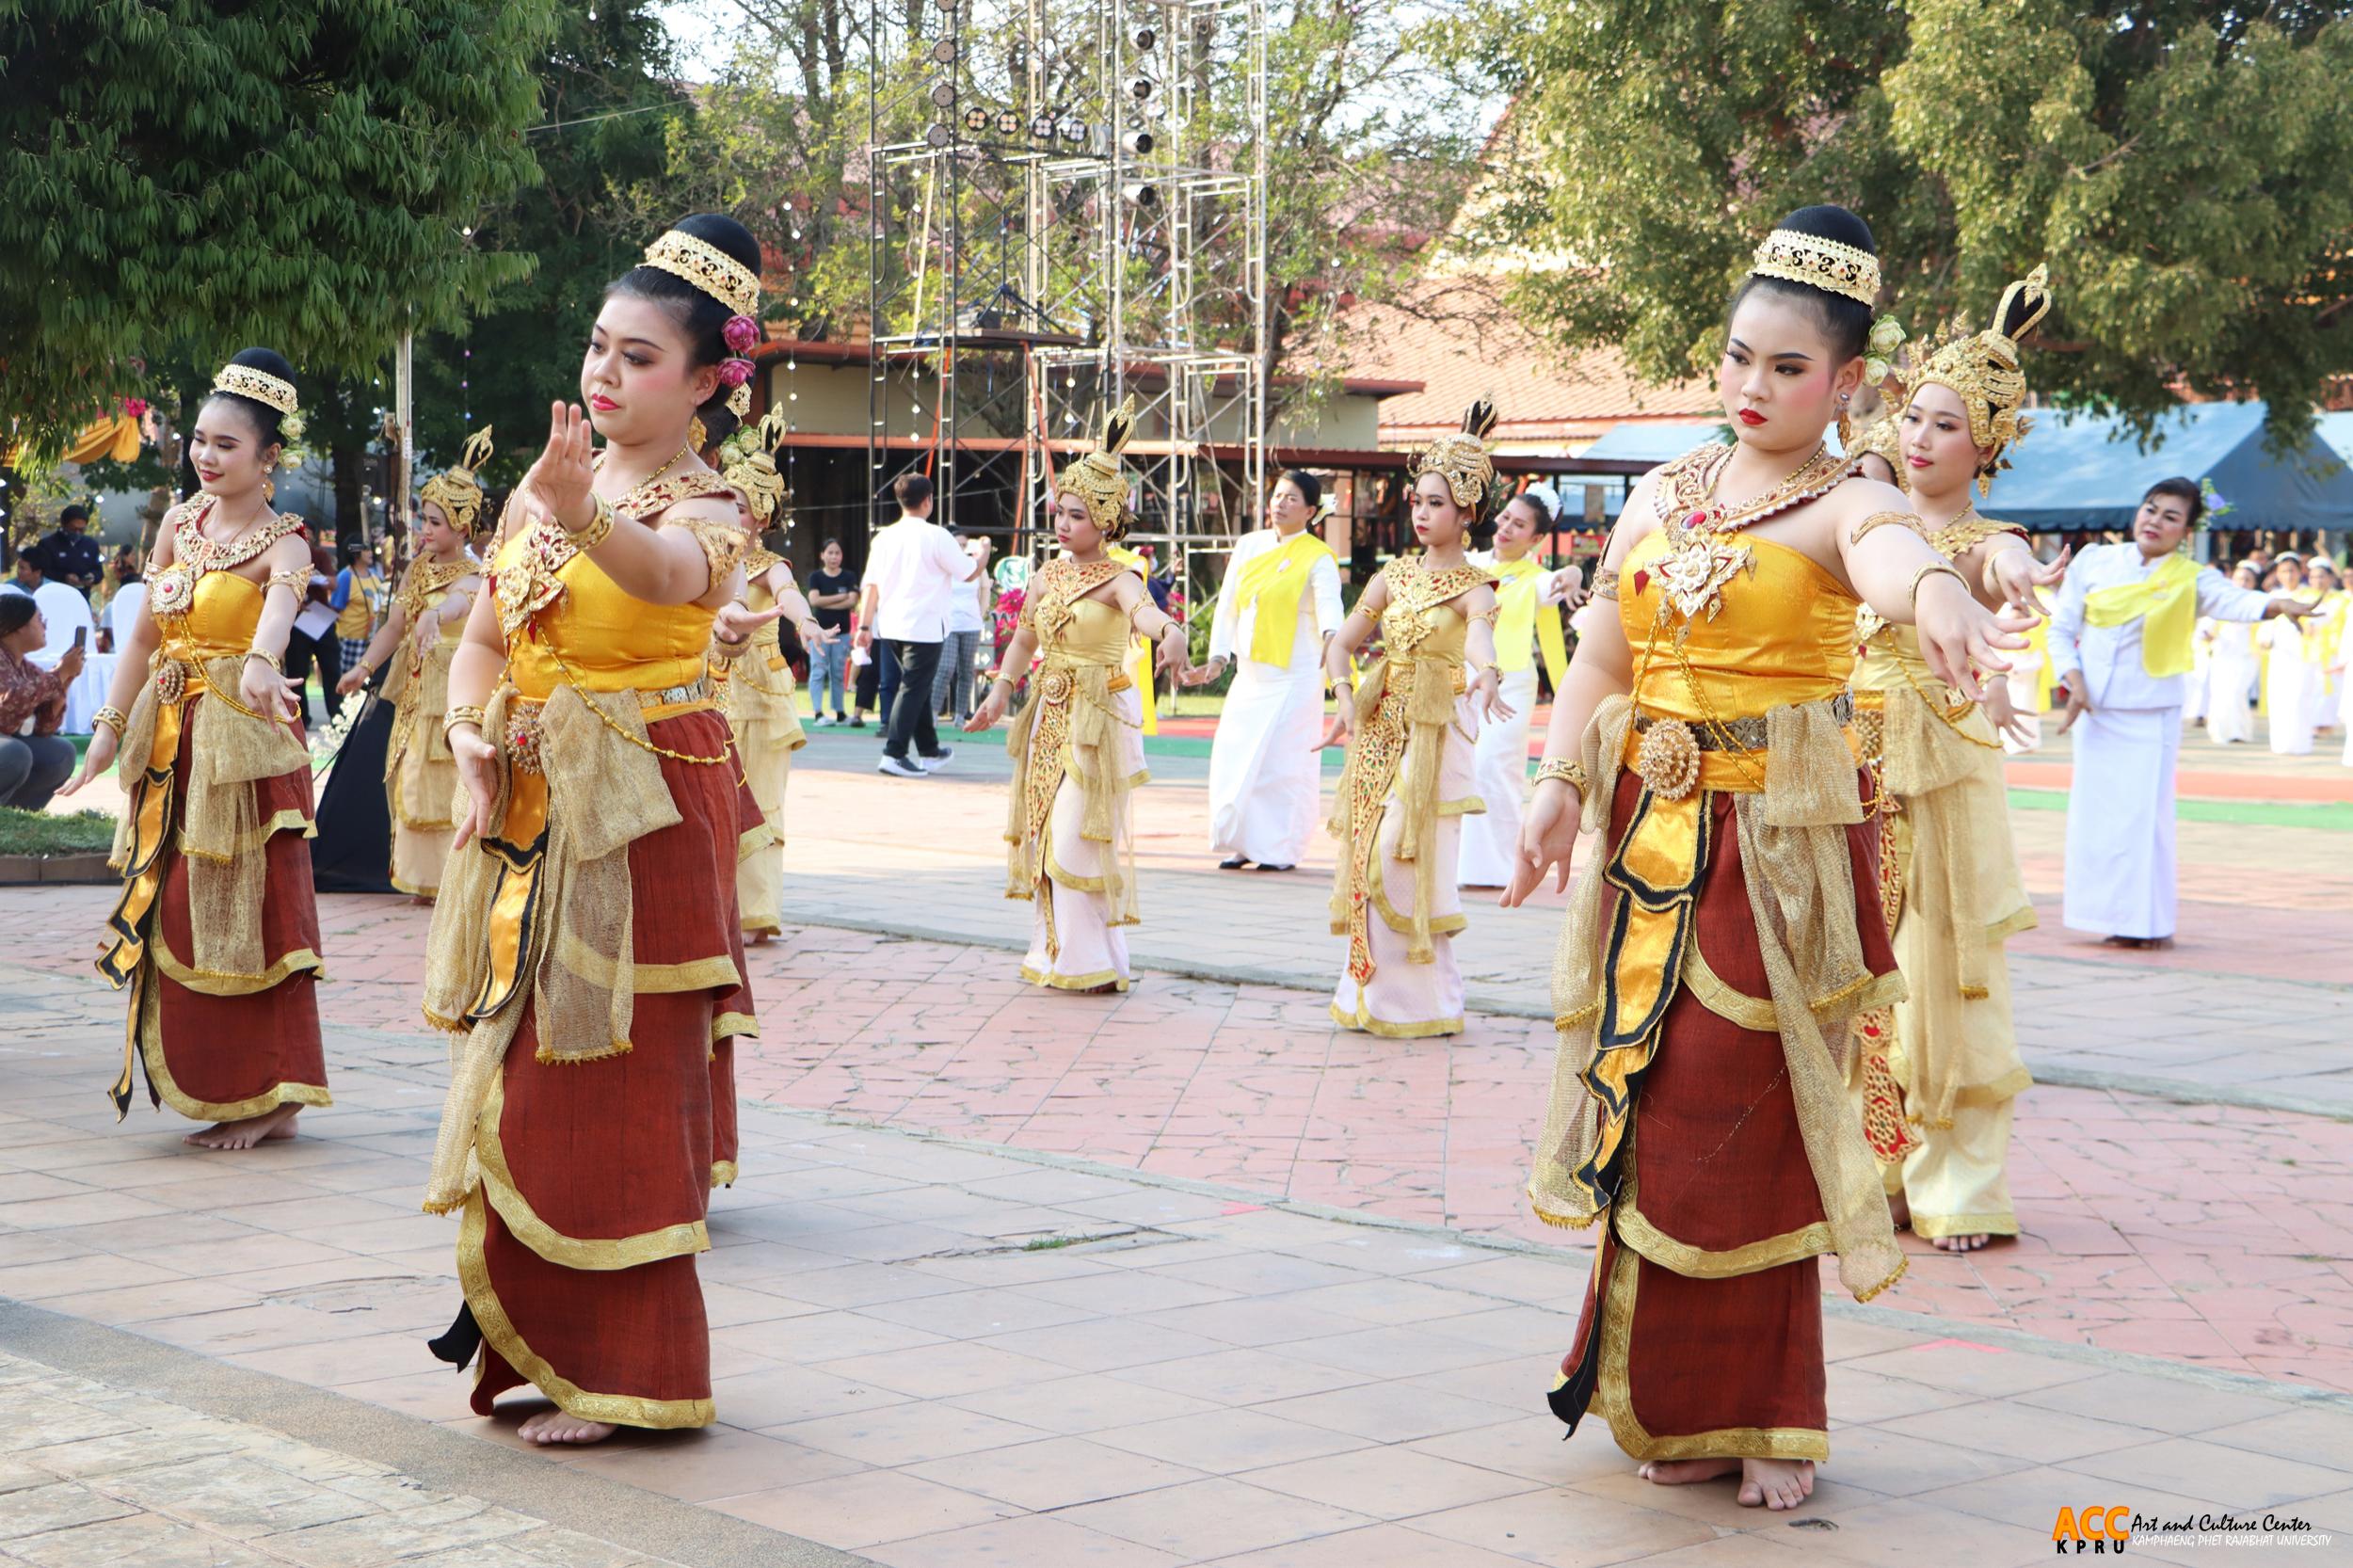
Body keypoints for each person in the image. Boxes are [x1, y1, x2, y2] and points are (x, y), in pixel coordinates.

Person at [1507, 206, 2034, 1511]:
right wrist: (1557, 784)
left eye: (1789, 368)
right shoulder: (1663, 490)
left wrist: (1943, 596)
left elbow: (1895, 554)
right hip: (1648, 844)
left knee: (1743, 1125)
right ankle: (1660, 1395)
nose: (1754, 386)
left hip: (1772, 864)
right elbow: (1602, 657)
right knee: (1643, 1105)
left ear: (1848, 382)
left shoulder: (1846, 500)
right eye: (1740, 357)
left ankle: (1770, 1413)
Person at [419, 214, 777, 1448]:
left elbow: (675, 578)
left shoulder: (710, 501)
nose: (602, 375)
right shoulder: (548, 487)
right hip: (534, 811)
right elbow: (481, 640)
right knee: (527, 1086)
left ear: (707, 382)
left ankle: (639, 1371)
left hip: (644, 815)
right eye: (596, 347)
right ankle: (553, 1347)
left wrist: (578, 514)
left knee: (614, 1093)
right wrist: (470, 735)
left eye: (636, 357)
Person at [1845, 268, 2068, 1255]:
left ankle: (1958, 1181)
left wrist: (2013, 567)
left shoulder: (1978, 540)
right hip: (1847, 775)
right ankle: (1869, 1166)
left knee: (1949, 970)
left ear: (1987, 443)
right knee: (1855, 971)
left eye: (1943, 424)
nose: (1919, 436)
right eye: (1914, 417)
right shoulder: (1863, 530)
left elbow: (1997, 559)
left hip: (1938, 784)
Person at [61, 348, 330, 1151]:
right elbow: (143, 636)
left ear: (268, 456)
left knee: (251, 914)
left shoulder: (285, 544)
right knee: (176, 907)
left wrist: (257, 668)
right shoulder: (182, 523)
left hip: (244, 752)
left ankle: (275, 1093)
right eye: (200, 442)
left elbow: (275, 628)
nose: (207, 459)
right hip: (172, 745)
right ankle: (218, 1077)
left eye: (227, 446)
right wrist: (107, 736)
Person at [965, 399, 1190, 992]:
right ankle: (1058, 954)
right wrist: (999, 694)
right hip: (1047, 713)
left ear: (1109, 523)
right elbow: (1023, 640)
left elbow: (1147, 616)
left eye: (1079, 516)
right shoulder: (1048, 575)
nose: (1064, 525)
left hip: (1097, 718)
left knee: (1078, 837)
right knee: (1043, 834)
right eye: (1060, 513)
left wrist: (1171, 632)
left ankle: (1087, 959)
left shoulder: (1122, 578)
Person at [2048, 480, 2321, 947]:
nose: (2155, 521)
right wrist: (2072, 678)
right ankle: (2103, 916)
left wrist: (2278, 604)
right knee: (2094, 818)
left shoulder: (2192, 577)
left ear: (2187, 531)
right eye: (2150, 509)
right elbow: (2061, 628)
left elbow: (2236, 601)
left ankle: (2147, 926)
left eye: (2170, 517)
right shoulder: (2094, 562)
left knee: (2143, 822)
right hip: (2094, 709)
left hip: (2150, 711)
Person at [1321, 402, 1512, 1038]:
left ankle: (1422, 1001)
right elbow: (1342, 644)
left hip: (1434, 737)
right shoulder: (1394, 576)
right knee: (1364, 851)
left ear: (1467, 512)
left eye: (1436, 503)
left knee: (1404, 859)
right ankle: (1369, 997)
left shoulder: (1473, 587)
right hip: (1380, 731)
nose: (1422, 513)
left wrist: (1486, 673)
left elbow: (1482, 640)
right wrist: (1345, 699)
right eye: (1418, 501)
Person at [336, 430, 492, 901]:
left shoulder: (474, 574)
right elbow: (393, 628)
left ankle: (456, 880)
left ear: (462, 528)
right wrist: (363, 668)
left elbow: (462, 606)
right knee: (412, 775)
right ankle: (423, 880)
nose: (424, 531)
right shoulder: (417, 569)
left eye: (435, 523)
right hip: (414, 694)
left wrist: (436, 615)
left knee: (449, 774)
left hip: (454, 693)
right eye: (424, 520)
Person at [1192, 470, 1344, 872]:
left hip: (1296, 676)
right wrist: (1218, 657)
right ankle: (1242, 842)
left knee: (1283, 765)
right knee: (1236, 755)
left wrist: (1335, 638)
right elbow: (1228, 606)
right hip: (1252, 675)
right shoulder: (1249, 546)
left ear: (1311, 511)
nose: (1281, 503)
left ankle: (1279, 849)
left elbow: (1330, 607)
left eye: (1292, 499)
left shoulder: (1317, 556)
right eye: (1278, 495)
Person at [715, 408, 828, 944]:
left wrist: (805, 623)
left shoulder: (768, 566)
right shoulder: (708, 560)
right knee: (714, 801)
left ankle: (755, 913)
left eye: (736, 507)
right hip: (712, 686)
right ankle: (717, 910)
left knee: (756, 799)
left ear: (759, 515)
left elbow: (789, 596)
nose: (726, 515)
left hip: (759, 694)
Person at [1461, 485, 1584, 888]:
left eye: (1519, 525)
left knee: (1495, 769)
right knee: (1461, 770)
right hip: (1464, 683)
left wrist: (1573, 573)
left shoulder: (1535, 580)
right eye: (1506, 518)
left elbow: (1560, 581)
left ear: (1535, 539)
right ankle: (1462, 867)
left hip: (1510, 687)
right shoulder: (1469, 564)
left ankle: (1501, 867)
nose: (1506, 528)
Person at [856, 472, 980, 776]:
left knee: (917, 685)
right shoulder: (937, 536)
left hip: (891, 625)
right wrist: (984, 552)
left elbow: (870, 586)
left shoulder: (883, 537)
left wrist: (864, 627)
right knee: (913, 687)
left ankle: (929, 749)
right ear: (928, 501)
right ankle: (894, 752)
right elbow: (968, 572)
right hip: (924, 627)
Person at [0, 598, 83, 808]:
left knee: (61, 753)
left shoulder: (28, 669)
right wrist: (58, 675)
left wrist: (64, 683)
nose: (44, 626)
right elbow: (6, 712)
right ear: (18, 627)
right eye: (39, 619)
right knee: (15, 753)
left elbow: (44, 729)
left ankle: (16, 814)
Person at [2259, 553, 2319, 756]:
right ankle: (2280, 743)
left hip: (2303, 655)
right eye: (2284, 571)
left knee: (2299, 697)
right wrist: (2265, 638)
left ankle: (2300, 744)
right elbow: (2263, 624)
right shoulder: (2272, 597)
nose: (2289, 575)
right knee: (2278, 697)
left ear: (2300, 572)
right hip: (2279, 654)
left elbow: (2320, 622)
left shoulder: (2310, 595)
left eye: (2292, 570)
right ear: (2277, 574)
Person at [2201, 564, 2265, 744]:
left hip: (2247, 655)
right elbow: (2207, 625)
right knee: (2221, 692)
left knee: (2236, 692)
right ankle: (2221, 732)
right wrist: (2207, 634)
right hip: (2223, 654)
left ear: (2253, 583)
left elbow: (2265, 627)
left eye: (2247, 579)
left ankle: (2240, 731)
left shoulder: (2259, 601)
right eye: (2239, 579)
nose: (2243, 583)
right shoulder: (2222, 600)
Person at [5, 551, 96, 673]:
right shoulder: (10, 589)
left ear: (37, 572)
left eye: (23, 568)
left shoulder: (54, 590)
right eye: (18, 567)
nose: (18, 572)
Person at [934, 534, 990, 725]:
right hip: (949, 624)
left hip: (971, 623)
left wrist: (981, 614)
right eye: (958, 544)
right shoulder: (944, 566)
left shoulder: (975, 566)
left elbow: (985, 590)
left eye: (965, 544)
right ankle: (933, 712)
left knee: (967, 670)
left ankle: (960, 714)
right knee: (945, 668)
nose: (962, 548)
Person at [805, 536, 857, 725]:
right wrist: (840, 598)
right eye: (830, 553)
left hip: (842, 633)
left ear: (841, 556)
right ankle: (818, 713)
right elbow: (814, 601)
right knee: (818, 670)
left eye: (837, 553)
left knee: (838, 671)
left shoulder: (849, 576)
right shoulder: (816, 577)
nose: (834, 557)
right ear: (822, 555)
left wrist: (827, 601)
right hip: (818, 631)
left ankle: (840, 712)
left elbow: (852, 601)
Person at [33, 503, 105, 596]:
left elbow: (99, 571)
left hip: (82, 596)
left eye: (81, 530)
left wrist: (93, 576)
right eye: (73, 529)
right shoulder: (47, 544)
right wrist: (64, 577)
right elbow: (40, 571)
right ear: (63, 525)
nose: (77, 533)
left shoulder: (91, 544)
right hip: (54, 595)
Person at [335, 541, 388, 656]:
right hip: (351, 640)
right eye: (366, 550)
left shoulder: (374, 575)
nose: (371, 553)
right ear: (355, 552)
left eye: (370, 549)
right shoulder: (345, 577)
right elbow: (335, 609)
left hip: (373, 638)